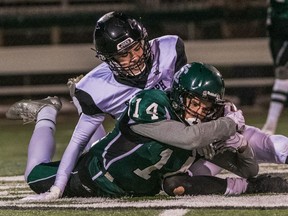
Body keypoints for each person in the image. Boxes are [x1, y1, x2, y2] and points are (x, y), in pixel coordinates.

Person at [6, 62, 288, 200]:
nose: (201, 112)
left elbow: (248, 170)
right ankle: (46, 113)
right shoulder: (151, 103)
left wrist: (239, 144)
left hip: (136, 182)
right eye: (195, 103)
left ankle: (83, 105)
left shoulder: (204, 127)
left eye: (207, 106)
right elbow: (187, 137)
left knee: (177, 182)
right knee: (34, 176)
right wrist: (229, 124)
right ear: (179, 95)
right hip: (95, 176)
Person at [5, 11, 188, 199]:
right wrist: (57, 188)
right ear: (109, 59)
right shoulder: (98, 89)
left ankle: (79, 103)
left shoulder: (169, 51)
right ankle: (46, 112)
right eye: (124, 54)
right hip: (126, 142)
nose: (134, 57)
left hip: (142, 140)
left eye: (136, 48)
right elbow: (77, 142)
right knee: (34, 175)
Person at [262, 0, 288, 135]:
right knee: (282, 74)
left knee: (282, 73)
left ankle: (270, 125)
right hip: (276, 24)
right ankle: (270, 125)